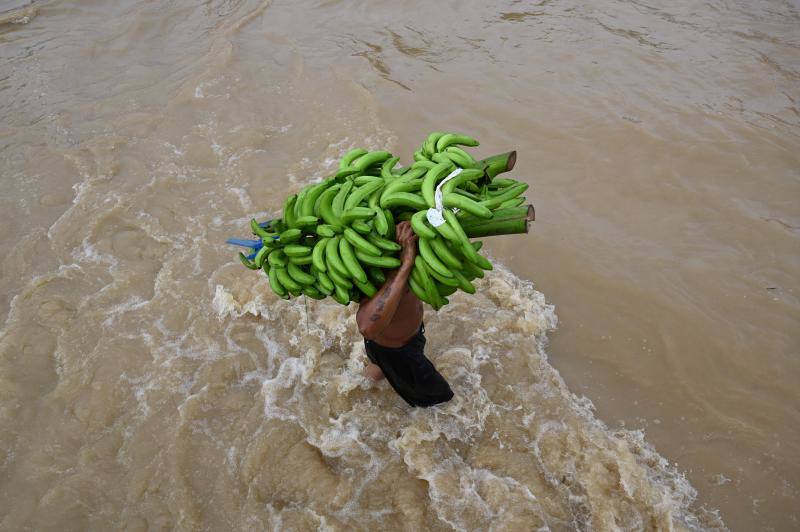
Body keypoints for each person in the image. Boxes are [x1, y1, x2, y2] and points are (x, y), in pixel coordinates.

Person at [356, 221, 454, 407]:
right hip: (398, 353)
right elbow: (367, 327)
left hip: (402, 340)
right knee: (441, 401)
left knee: (378, 368)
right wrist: (405, 265)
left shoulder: (411, 241)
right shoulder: (377, 260)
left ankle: (361, 385)